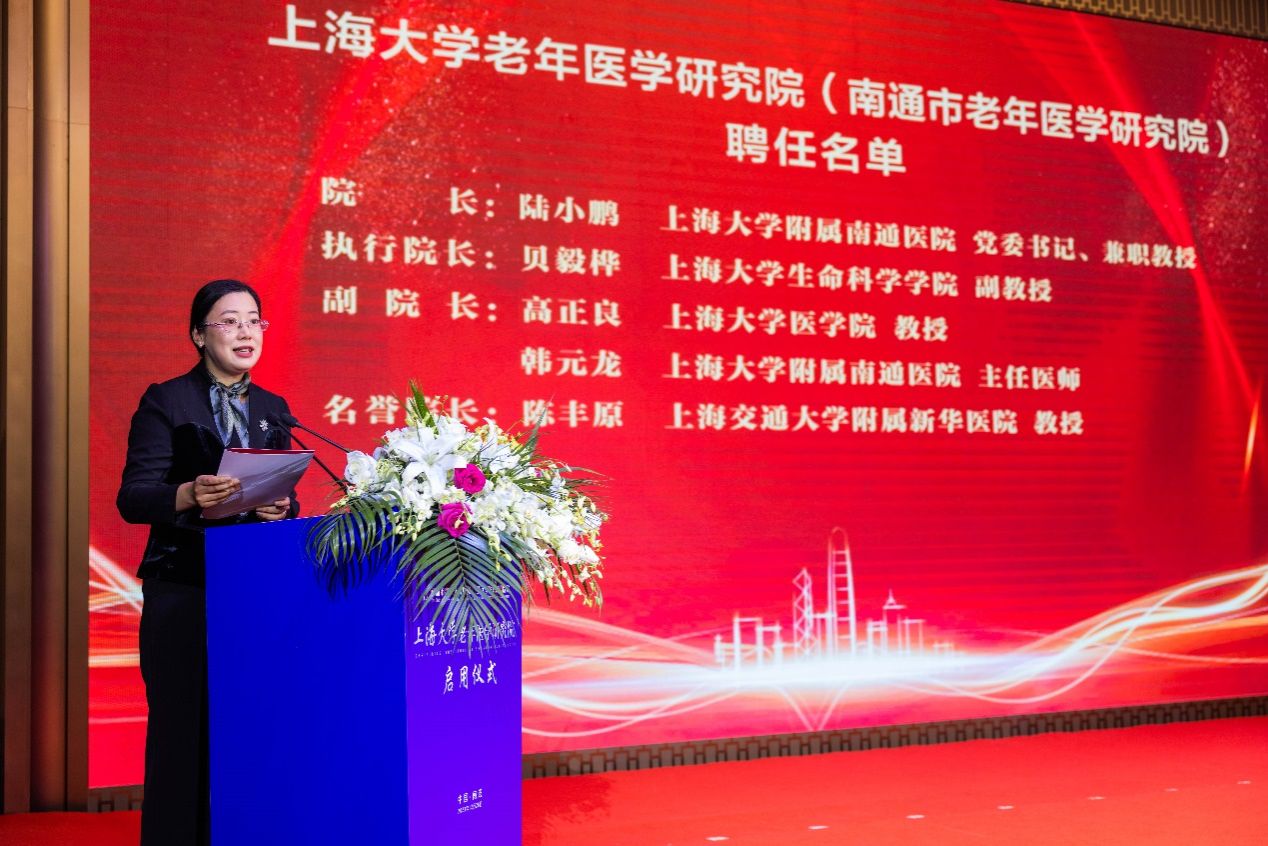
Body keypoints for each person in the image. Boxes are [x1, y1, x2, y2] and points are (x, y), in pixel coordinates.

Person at [117, 279, 299, 845]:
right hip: (184, 591)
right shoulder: (166, 400)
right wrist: (188, 494)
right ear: (199, 335)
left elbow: (286, 493)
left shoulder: (273, 409)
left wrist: (281, 506)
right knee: (181, 734)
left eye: (254, 320)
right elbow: (133, 497)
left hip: (253, 594)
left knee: (250, 732)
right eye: (229, 320)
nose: (246, 332)